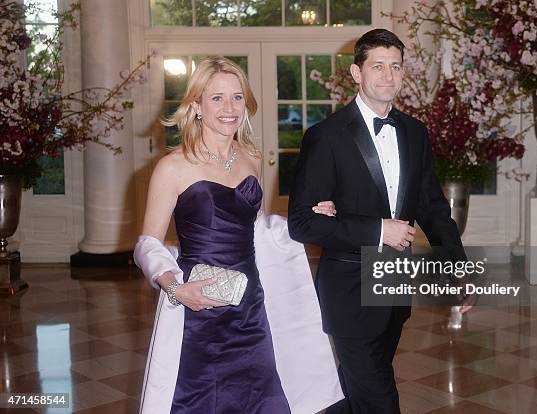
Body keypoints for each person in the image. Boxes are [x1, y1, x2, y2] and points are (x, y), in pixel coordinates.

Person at [134, 56, 342, 413]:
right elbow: (147, 245)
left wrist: (307, 219)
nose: (229, 108)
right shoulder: (173, 167)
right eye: (216, 98)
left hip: (252, 309)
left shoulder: (251, 157)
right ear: (196, 105)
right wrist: (175, 288)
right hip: (200, 310)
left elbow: (260, 228)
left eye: (237, 97)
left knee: (266, 397)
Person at [288, 29, 474, 414]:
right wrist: (377, 230)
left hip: (393, 286)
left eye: (396, 66)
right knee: (379, 399)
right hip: (349, 289)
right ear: (356, 73)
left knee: (355, 390)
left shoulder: (415, 133)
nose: (388, 76)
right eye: (378, 66)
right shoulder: (326, 137)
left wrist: (458, 268)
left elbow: (434, 209)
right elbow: (302, 223)